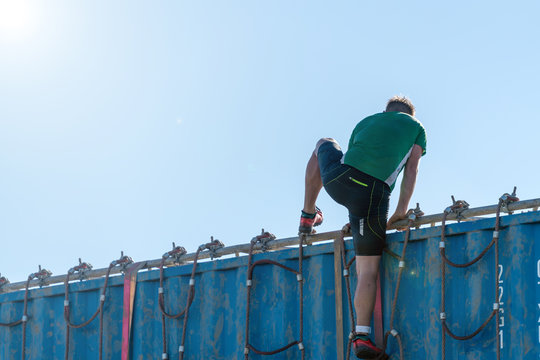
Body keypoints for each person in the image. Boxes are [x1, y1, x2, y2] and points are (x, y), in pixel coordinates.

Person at [298, 96, 426, 359]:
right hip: (373, 197)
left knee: (324, 142)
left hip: (339, 180)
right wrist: (401, 211)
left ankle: (308, 215)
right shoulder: (417, 128)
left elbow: (355, 159)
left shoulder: (367, 121)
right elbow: (411, 170)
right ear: (410, 114)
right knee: (367, 271)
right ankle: (361, 336)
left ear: (386, 112)